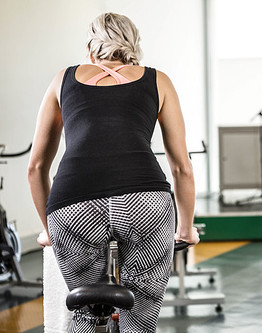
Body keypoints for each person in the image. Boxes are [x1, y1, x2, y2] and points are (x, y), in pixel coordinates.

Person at [27, 12, 199, 332]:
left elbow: (36, 167)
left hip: (72, 205)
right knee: (140, 318)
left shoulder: (62, 79)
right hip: (145, 202)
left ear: (91, 49)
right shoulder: (157, 80)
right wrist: (186, 228)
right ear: (134, 45)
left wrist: (48, 229)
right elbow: (182, 167)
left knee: (86, 315)